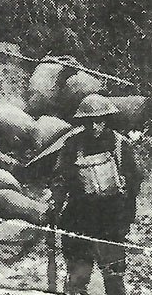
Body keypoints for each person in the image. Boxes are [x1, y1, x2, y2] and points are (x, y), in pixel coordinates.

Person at [49, 93, 142, 295]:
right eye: (89, 122)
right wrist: (54, 205)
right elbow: (59, 178)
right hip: (79, 219)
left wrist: (126, 220)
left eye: (99, 121)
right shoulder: (72, 145)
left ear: (107, 120)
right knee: (77, 279)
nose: (94, 127)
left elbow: (133, 183)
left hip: (110, 221)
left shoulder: (121, 146)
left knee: (114, 279)